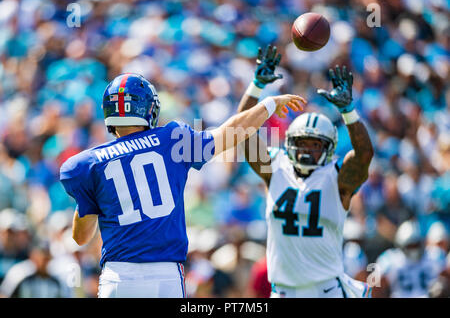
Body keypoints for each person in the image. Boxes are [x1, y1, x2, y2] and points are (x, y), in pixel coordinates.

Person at [59, 72, 305, 298]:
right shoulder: (172, 139)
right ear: (148, 107)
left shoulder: (87, 163)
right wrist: (268, 105)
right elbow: (230, 133)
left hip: (121, 277)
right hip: (167, 275)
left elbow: (81, 238)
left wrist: (87, 199)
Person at [236, 45, 374, 298]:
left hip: (326, 291)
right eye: (301, 143)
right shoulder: (275, 168)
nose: (307, 151)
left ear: (329, 149)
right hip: (283, 292)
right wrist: (256, 87)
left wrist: (348, 112)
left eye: (315, 145)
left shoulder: (337, 177)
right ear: (290, 143)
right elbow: (243, 130)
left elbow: (364, 155)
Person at [374, 220, 447, 298]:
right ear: (401, 245)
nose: (414, 250)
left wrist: (443, 286)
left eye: (416, 245)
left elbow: (446, 277)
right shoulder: (390, 259)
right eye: (410, 246)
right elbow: (376, 285)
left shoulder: (434, 255)